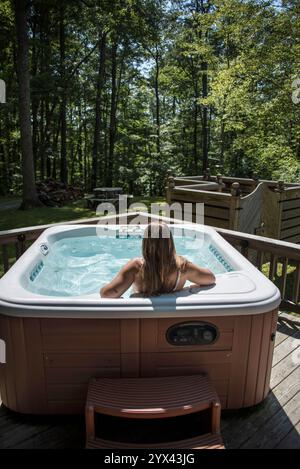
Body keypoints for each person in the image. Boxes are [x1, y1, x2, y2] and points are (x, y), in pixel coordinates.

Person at [100, 222, 215, 298]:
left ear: (146, 242)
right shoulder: (183, 267)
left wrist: (103, 288)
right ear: (170, 242)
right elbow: (210, 278)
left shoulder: (136, 267)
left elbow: (107, 294)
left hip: (142, 317)